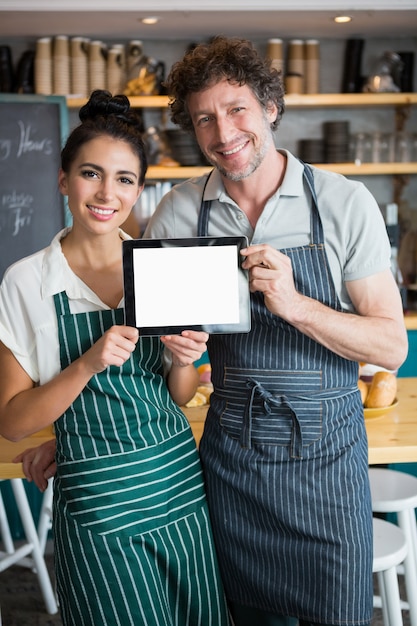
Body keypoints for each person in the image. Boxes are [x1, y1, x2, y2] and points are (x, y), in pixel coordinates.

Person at [13, 38, 408, 626]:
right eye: (204, 119)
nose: (223, 132)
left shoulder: (344, 203)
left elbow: (391, 346)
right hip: (231, 463)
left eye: (237, 109)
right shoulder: (178, 211)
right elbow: (153, 357)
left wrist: (294, 304)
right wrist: (78, 443)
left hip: (326, 461)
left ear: (270, 107)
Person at [0, 90, 230, 626]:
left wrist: (182, 361)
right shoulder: (26, 282)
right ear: (63, 180)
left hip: (179, 490)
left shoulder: (158, 265)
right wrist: (87, 363)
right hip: (99, 510)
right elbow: (12, 422)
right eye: (90, 173)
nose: (107, 193)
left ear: (139, 191)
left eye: (124, 179)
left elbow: (178, 394)